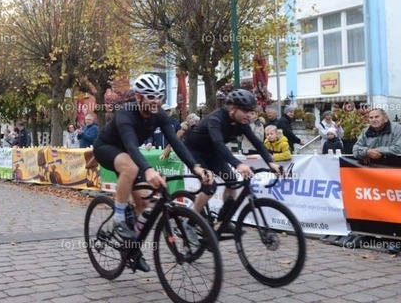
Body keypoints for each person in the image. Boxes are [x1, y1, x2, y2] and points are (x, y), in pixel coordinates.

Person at [93, 74, 211, 272]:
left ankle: (132, 250)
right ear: (139, 97)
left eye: (159, 96)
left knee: (144, 204)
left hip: (129, 155)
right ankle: (119, 216)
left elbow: (176, 143)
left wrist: (196, 167)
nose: (156, 101)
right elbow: (132, 146)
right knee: (131, 168)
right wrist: (148, 170)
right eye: (151, 97)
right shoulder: (126, 113)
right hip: (107, 148)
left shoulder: (159, 115)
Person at [182, 89, 283, 232]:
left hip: (212, 152)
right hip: (194, 150)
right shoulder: (216, 119)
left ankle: (223, 221)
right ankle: (189, 224)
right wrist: (238, 164)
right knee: (210, 186)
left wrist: (271, 163)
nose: (249, 114)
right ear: (232, 108)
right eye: (246, 110)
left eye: (251, 111)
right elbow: (219, 144)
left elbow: (257, 143)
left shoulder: (241, 122)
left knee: (232, 182)